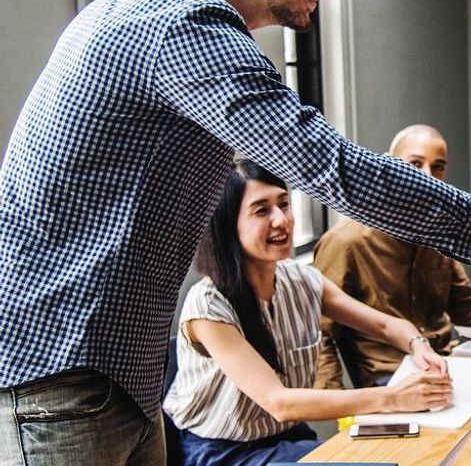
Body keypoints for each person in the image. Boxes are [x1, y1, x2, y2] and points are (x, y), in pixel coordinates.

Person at [0, 0, 471, 464]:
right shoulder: (182, 22)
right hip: (60, 379)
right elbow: (332, 166)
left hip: (111, 377)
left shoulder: (164, 16)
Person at [163, 160, 450, 464]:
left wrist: (419, 346)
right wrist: (393, 399)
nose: (281, 220)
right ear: (227, 226)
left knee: (403, 454)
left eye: (284, 204)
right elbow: (280, 402)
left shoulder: (301, 279)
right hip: (222, 453)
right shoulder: (208, 305)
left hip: (287, 438)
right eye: (262, 211)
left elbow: (385, 327)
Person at [314, 125, 471, 388]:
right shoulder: (347, 242)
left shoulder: (436, 233)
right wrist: (338, 405)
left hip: (447, 366)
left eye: (438, 167)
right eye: (414, 163)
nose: (428, 177)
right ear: (389, 167)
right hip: (388, 382)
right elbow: (319, 332)